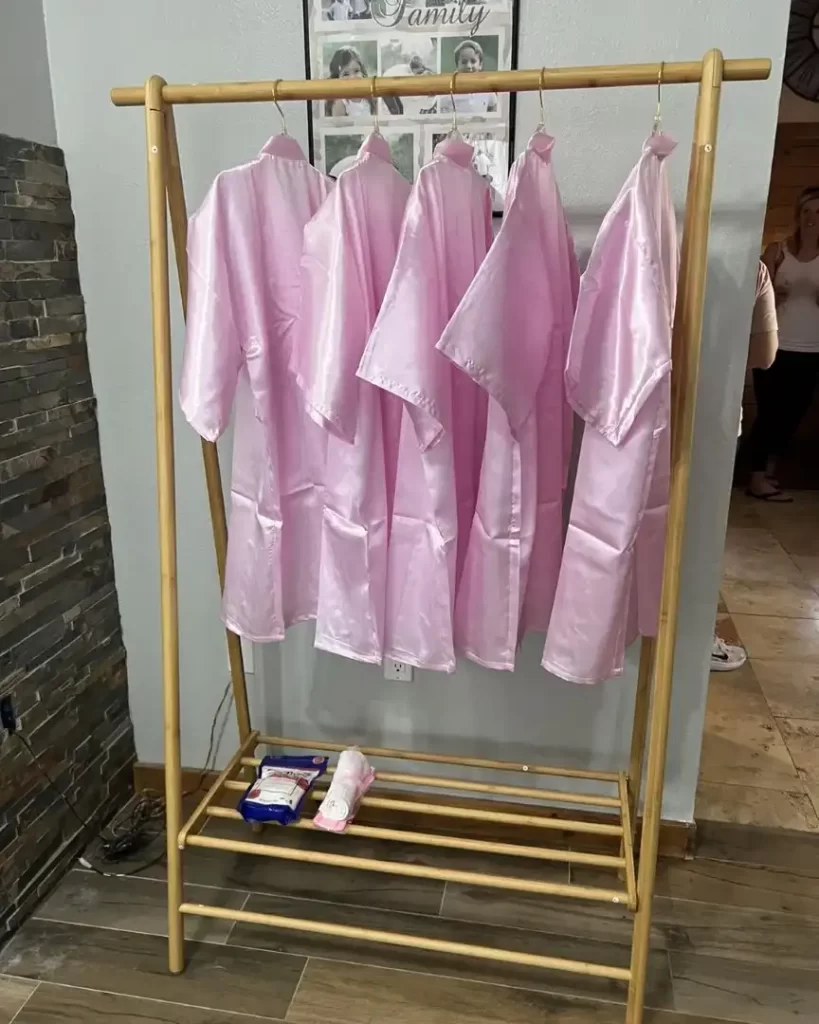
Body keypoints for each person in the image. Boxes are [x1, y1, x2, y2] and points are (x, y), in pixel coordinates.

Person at [712, 259, 779, 671]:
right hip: (715, 414)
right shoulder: (748, 266)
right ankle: (697, 636)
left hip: (630, 413)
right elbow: (765, 354)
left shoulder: (637, 244)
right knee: (700, 533)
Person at [746, 186, 819, 501]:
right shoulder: (778, 251)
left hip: (812, 348)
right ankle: (756, 477)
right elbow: (753, 295)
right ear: (798, 216)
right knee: (770, 413)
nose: (812, 219)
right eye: (807, 212)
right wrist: (775, 293)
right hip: (775, 346)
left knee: (794, 413)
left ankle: (766, 470)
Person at [436, 40, 498, 114]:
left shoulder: (487, 88)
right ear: (457, 65)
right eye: (464, 62)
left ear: (480, 65)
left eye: (473, 61)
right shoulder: (449, 89)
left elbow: (493, 106)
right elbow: (440, 108)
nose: (468, 66)